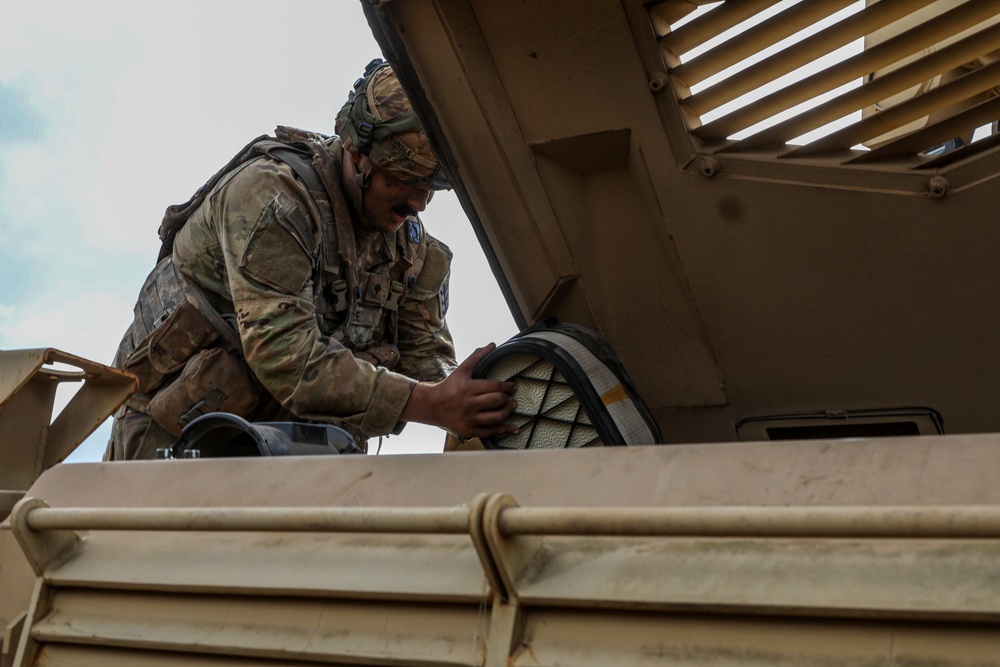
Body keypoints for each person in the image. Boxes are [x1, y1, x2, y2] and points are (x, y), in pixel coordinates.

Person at [105, 59, 518, 460]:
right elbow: (285, 356)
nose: (419, 203)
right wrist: (430, 405)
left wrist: (475, 396)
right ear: (358, 154)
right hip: (172, 445)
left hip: (293, 454)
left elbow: (423, 354)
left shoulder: (412, 252)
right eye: (402, 179)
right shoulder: (272, 199)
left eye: (430, 186)